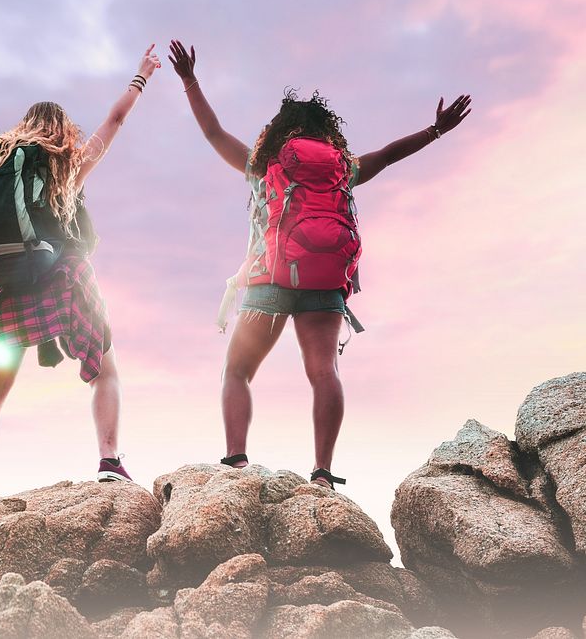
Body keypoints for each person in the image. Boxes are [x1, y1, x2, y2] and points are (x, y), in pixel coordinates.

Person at [167, 38, 471, 489]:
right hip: (326, 281)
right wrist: (436, 130)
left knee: (237, 370)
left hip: (270, 276)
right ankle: (323, 473)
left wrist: (190, 81)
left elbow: (213, 133)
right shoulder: (342, 167)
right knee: (324, 371)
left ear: (280, 130)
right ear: (328, 132)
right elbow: (388, 154)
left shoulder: (266, 163)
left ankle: (235, 462)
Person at [0, 45, 161, 502]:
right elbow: (116, 121)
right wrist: (140, 78)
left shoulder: (1, 155)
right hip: (65, 276)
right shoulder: (67, 165)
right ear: (62, 131)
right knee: (105, 368)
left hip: (13, 283)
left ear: (26, 126)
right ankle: (109, 460)